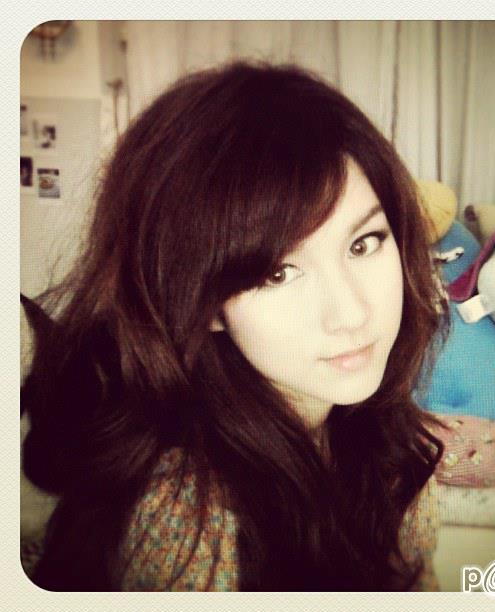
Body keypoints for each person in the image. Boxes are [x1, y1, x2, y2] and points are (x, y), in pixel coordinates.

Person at [20, 61, 448, 591]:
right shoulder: (188, 520)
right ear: (204, 303)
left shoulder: (385, 437)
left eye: (363, 244)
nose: (353, 314)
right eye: (277, 273)